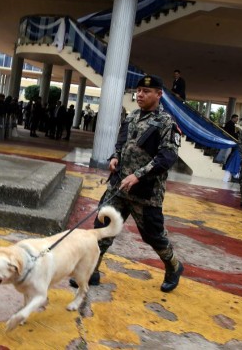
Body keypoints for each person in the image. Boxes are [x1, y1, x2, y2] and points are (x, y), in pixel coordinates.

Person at [69, 74, 184, 293]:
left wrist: (138, 175)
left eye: (146, 91)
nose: (139, 94)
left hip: (146, 192)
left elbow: (167, 157)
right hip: (119, 187)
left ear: (159, 95)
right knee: (102, 228)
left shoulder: (166, 123)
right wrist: (115, 157)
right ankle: (91, 271)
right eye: (138, 90)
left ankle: (173, 266)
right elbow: (122, 143)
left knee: (154, 236)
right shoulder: (131, 117)